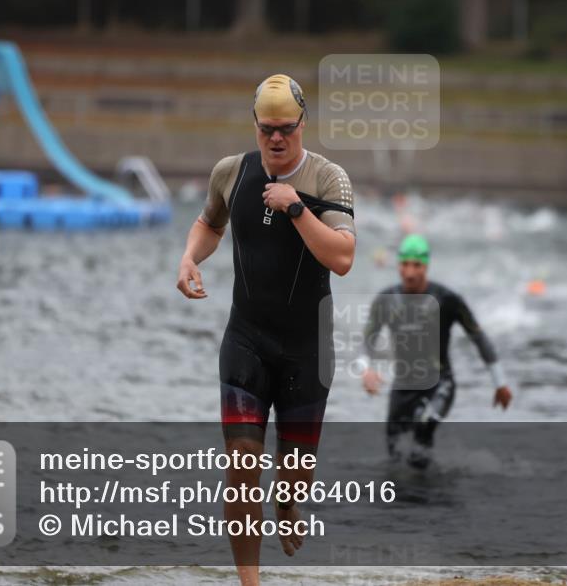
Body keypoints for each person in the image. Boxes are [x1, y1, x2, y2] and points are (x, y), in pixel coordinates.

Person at [176, 74, 356, 586]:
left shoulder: (329, 179)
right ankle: (250, 582)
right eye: (267, 129)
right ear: (255, 125)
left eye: (286, 129)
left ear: (303, 124)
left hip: (307, 350)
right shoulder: (231, 172)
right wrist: (190, 257)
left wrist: (296, 206)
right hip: (246, 342)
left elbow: (342, 258)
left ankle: (289, 503)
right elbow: (209, 225)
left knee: (293, 477)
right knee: (241, 468)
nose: (276, 139)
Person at [359, 234, 512, 469]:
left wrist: (500, 382)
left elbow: (478, 337)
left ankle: (429, 499)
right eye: (405, 264)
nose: (410, 272)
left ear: (426, 266)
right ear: (398, 264)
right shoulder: (386, 300)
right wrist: (366, 369)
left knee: (423, 427)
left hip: (440, 383)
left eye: (416, 265)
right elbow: (367, 340)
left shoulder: (447, 299)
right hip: (403, 386)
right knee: (395, 457)